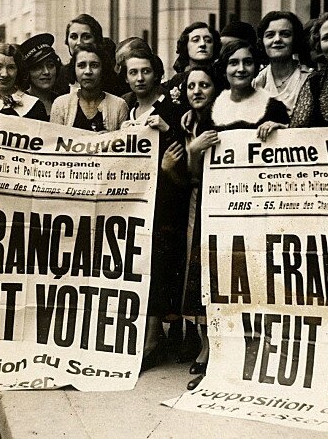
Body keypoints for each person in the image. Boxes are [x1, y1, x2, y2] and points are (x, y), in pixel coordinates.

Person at [121, 48, 187, 370]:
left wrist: (167, 131)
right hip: (138, 198)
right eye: (133, 73)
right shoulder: (130, 112)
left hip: (166, 198)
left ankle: (152, 337)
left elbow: (181, 154)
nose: (139, 78)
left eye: (145, 71)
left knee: (159, 263)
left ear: (156, 73)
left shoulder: (171, 109)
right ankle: (146, 335)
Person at [179, 65, 222, 390]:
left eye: (204, 84)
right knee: (198, 274)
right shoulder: (188, 122)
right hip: (198, 200)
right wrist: (193, 151)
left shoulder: (220, 118)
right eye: (191, 85)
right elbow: (193, 175)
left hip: (221, 202)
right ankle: (204, 345)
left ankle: (215, 349)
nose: (197, 91)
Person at [50, 43, 127, 131]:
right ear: (74, 69)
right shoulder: (60, 105)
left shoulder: (119, 106)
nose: (88, 71)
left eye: (94, 65)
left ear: (103, 69)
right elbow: (54, 141)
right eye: (81, 65)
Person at [253, 11, 312, 116]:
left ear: (295, 39)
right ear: (262, 41)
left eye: (285, 34)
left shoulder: (310, 78)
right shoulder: (256, 82)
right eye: (270, 35)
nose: (277, 40)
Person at [165, 22, 221, 109]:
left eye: (208, 40)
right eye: (196, 40)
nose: (202, 44)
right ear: (186, 46)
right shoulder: (177, 80)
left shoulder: (221, 78)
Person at [56, 14, 104, 95]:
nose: (79, 42)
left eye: (86, 37)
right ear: (67, 41)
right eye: (73, 37)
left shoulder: (108, 76)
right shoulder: (59, 76)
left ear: (97, 40)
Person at [20, 33, 61, 119]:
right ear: (28, 72)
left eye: (50, 65)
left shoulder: (63, 101)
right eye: (38, 67)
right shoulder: (19, 103)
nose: (46, 72)